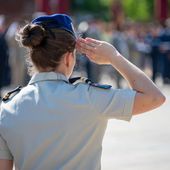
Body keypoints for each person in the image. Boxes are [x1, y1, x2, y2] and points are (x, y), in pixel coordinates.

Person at [0, 14, 165, 170]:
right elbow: (154, 98)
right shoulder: (90, 97)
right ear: (68, 57)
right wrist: (114, 56)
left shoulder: (7, 108)